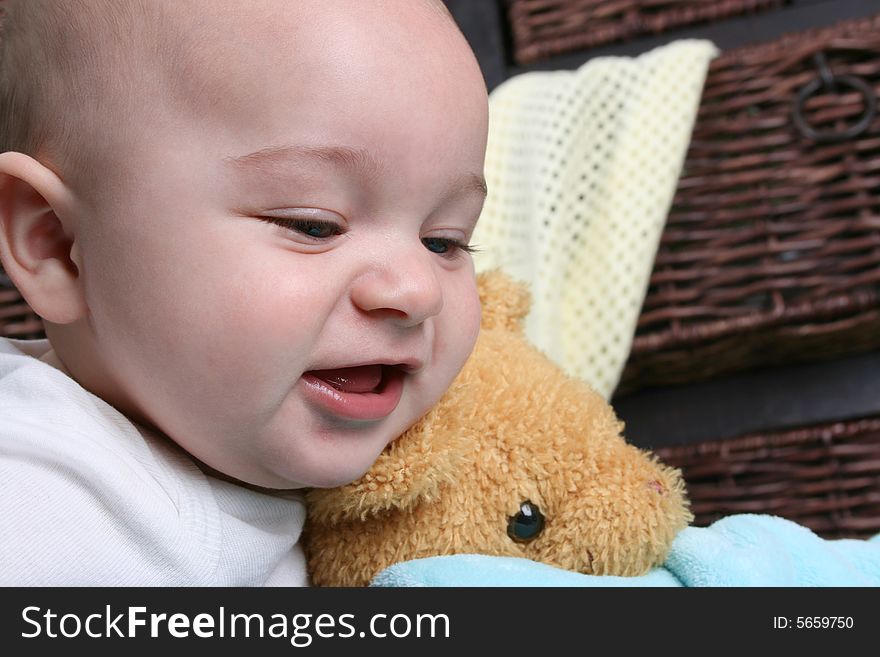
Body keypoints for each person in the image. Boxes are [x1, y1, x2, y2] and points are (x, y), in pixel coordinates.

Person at [0, 0, 489, 585]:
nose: (417, 291)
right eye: (315, 225)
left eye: (445, 241)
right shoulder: (47, 504)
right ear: (58, 246)